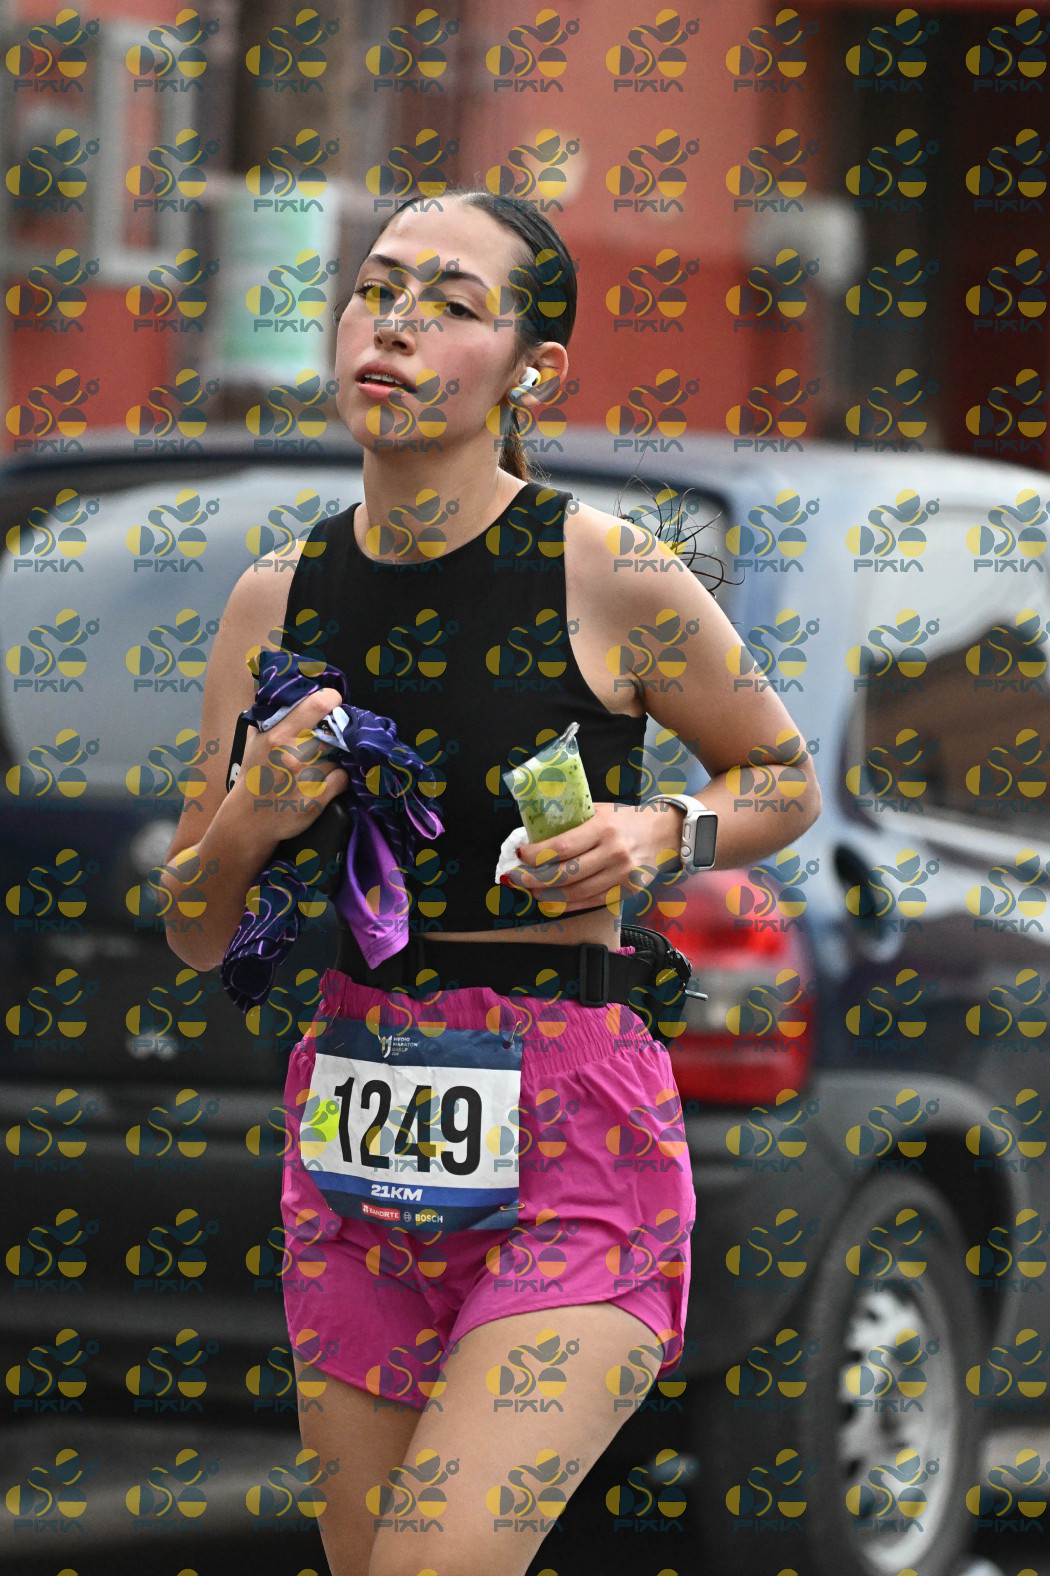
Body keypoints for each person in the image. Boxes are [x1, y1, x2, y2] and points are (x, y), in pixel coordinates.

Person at [160, 189, 822, 1576]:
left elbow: (779, 777)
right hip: (353, 1133)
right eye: (376, 288)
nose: (394, 323)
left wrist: (661, 834)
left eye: (451, 303)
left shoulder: (606, 569)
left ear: (533, 369)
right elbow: (193, 925)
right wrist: (247, 822)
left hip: (572, 1137)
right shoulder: (273, 597)